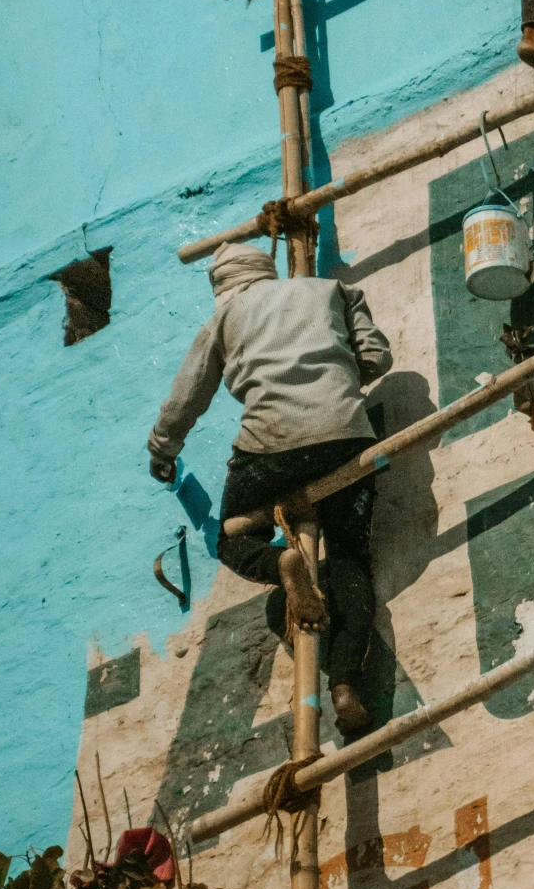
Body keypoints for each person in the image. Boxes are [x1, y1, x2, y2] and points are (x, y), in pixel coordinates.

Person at [147, 241, 393, 734]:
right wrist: (337, 386)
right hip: (346, 436)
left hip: (272, 445)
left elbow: (187, 396)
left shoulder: (225, 317)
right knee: (349, 558)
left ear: (222, 287)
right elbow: (377, 357)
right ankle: (345, 684)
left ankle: (280, 563)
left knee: (230, 538)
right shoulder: (334, 290)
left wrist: (161, 449)